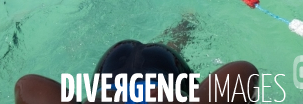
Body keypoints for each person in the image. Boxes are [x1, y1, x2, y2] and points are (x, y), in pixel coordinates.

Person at [14, 40, 258, 104]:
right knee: (170, 46)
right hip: (164, 77)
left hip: (115, 75)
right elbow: (245, 73)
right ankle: (185, 24)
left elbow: (26, 86)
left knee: (168, 47)